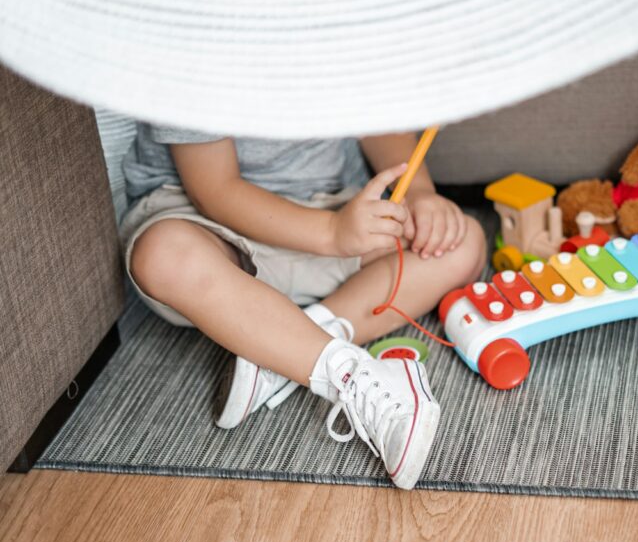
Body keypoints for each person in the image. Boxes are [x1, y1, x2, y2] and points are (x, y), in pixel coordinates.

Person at [120, 127, 485, 489]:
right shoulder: (195, 69)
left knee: (462, 242)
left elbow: (377, 120)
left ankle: (284, 348)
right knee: (162, 256)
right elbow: (215, 190)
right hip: (209, 222)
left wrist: (421, 194)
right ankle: (345, 371)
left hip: (331, 206)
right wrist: (331, 232)